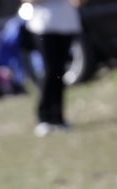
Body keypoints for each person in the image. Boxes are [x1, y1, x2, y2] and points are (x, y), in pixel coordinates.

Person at [24, 0, 82, 137]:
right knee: (50, 70)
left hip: (67, 25)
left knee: (60, 72)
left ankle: (58, 117)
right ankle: (43, 117)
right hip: (44, 25)